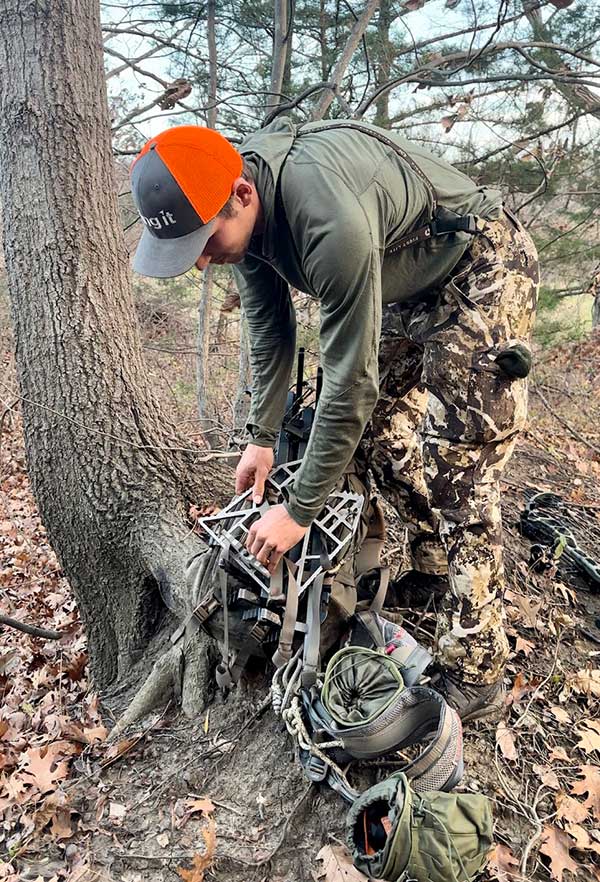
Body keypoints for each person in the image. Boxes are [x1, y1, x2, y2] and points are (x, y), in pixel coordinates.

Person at [129, 119, 539, 721]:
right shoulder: (243, 210)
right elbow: (271, 333)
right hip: (403, 281)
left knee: (460, 470)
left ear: (242, 195)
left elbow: (351, 381)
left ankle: (479, 669)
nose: (201, 264)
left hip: (478, 266)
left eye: (205, 242)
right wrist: (261, 438)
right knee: (371, 437)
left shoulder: (326, 219)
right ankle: (431, 569)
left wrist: (299, 512)